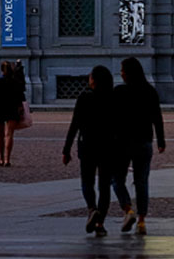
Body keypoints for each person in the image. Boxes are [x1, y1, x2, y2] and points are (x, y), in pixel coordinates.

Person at [111, 56, 166, 234]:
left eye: (122, 71)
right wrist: (161, 140)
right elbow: (157, 118)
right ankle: (142, 221)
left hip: (122, 143)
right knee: (142, 182)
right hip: (144, 141)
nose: (121, 74)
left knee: (117, 179)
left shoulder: (119, 92)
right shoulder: (150, 91)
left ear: (127, 73)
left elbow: (111, 119)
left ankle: (128, 209)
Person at [63, 65, 119, 237]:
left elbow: (75, 125)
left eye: (90, 76)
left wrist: (66, 149)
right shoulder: (113, 98)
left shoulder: (84, 97)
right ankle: (100, 223)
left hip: (87, 145)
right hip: (108, 146)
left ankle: (91, 209)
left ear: (94, 80)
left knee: (87, 181)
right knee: (104, 186)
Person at [0, 61, 24, 166]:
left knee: (0, 135)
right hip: (12, 109)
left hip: (0, 109)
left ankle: (1, 158)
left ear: (2, 70)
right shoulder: (16, 82)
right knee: (9, 135)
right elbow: (21, 97)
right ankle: (7, 159)